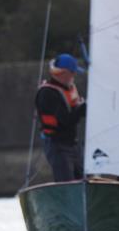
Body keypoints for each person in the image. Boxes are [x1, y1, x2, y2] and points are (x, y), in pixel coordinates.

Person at [36, 53, 87, 182]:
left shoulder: (68, 88)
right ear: (63, 73)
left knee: (84, 180)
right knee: (66, 184)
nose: (74, 76)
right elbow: (64, 120)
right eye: (72, 73)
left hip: (73, 144)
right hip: (58, 146)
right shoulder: (47, 94)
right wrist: (81, 109)